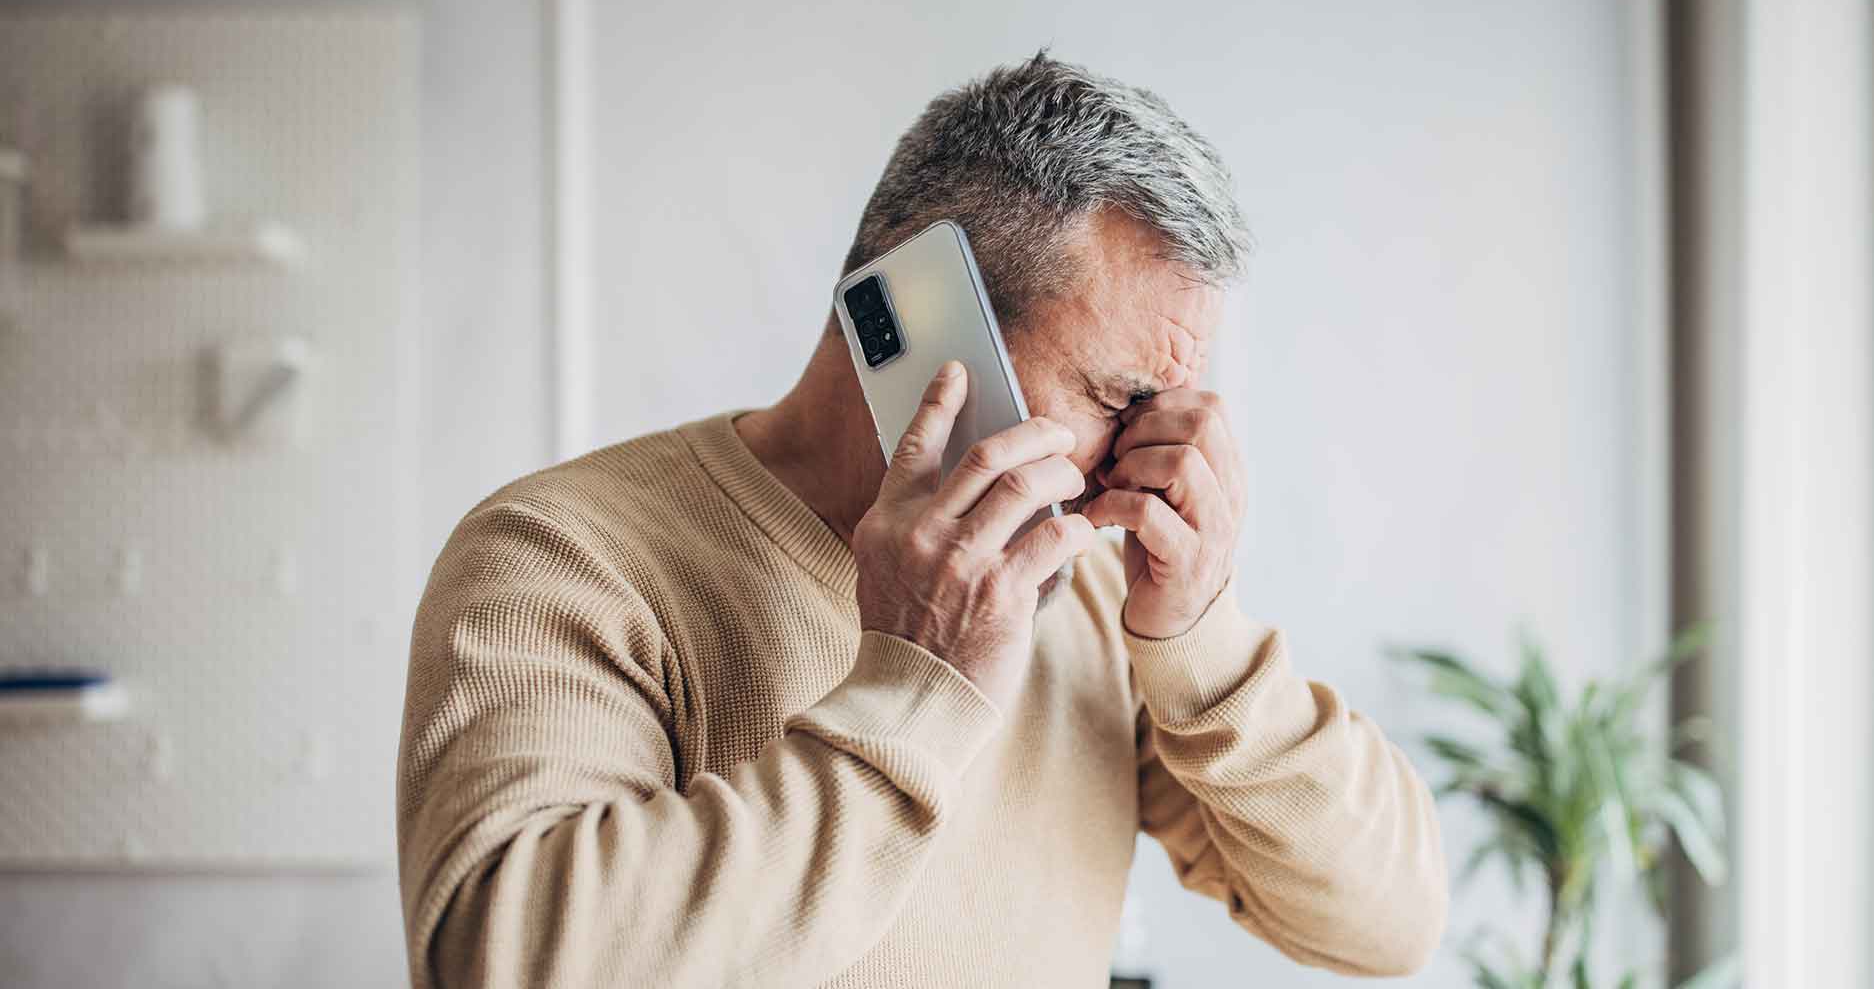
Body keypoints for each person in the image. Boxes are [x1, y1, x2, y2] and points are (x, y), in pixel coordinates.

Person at [396, 52, 1447, 988]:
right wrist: (916, 685)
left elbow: (1387, 927)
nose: (1146, 457)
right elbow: (505, 960)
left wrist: (1199, 643)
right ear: (915, 311)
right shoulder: (564, 556)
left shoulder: (1087, 601)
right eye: (1114, 399)